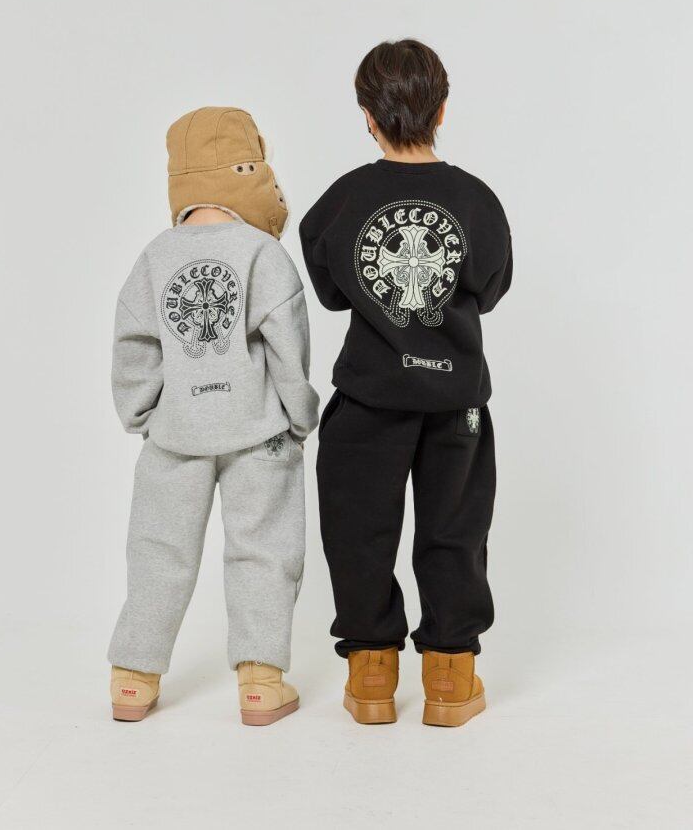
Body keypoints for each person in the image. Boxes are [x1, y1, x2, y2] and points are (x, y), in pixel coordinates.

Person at [299, 40, 512, 727]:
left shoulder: (343, 200)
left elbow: (332, 290)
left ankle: (371, 676)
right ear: (442, 109)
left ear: (367, 115)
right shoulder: (477, 200)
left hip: (368, 398)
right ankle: (450, 677)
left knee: (358, 531)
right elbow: (491, 289)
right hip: (456, 403)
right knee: (455, 530)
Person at [108, 107, 319, 725]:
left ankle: (133, 678)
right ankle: (260, 683)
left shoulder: (155, 257)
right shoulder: (264, 254)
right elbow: (288, 348)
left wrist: (144, 413)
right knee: (264, 548)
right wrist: (298, 416)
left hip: (176, 434)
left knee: (157, 549)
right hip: (258, 432)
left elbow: (134, 344)